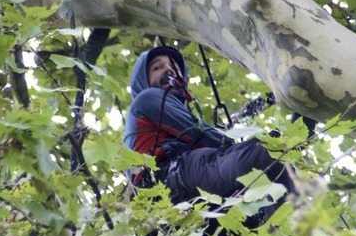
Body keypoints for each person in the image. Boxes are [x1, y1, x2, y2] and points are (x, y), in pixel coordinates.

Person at [124, 45, 296, 225]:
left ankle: (281, 234)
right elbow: (199, 134)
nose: (168, 69)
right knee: (267, 152)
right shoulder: (147, 98)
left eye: (173, 67)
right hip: (173, 178)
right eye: (157, 67)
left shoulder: (164, 110)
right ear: (142, 80)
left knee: (256, 202)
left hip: (189, 203)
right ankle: (288, 230)